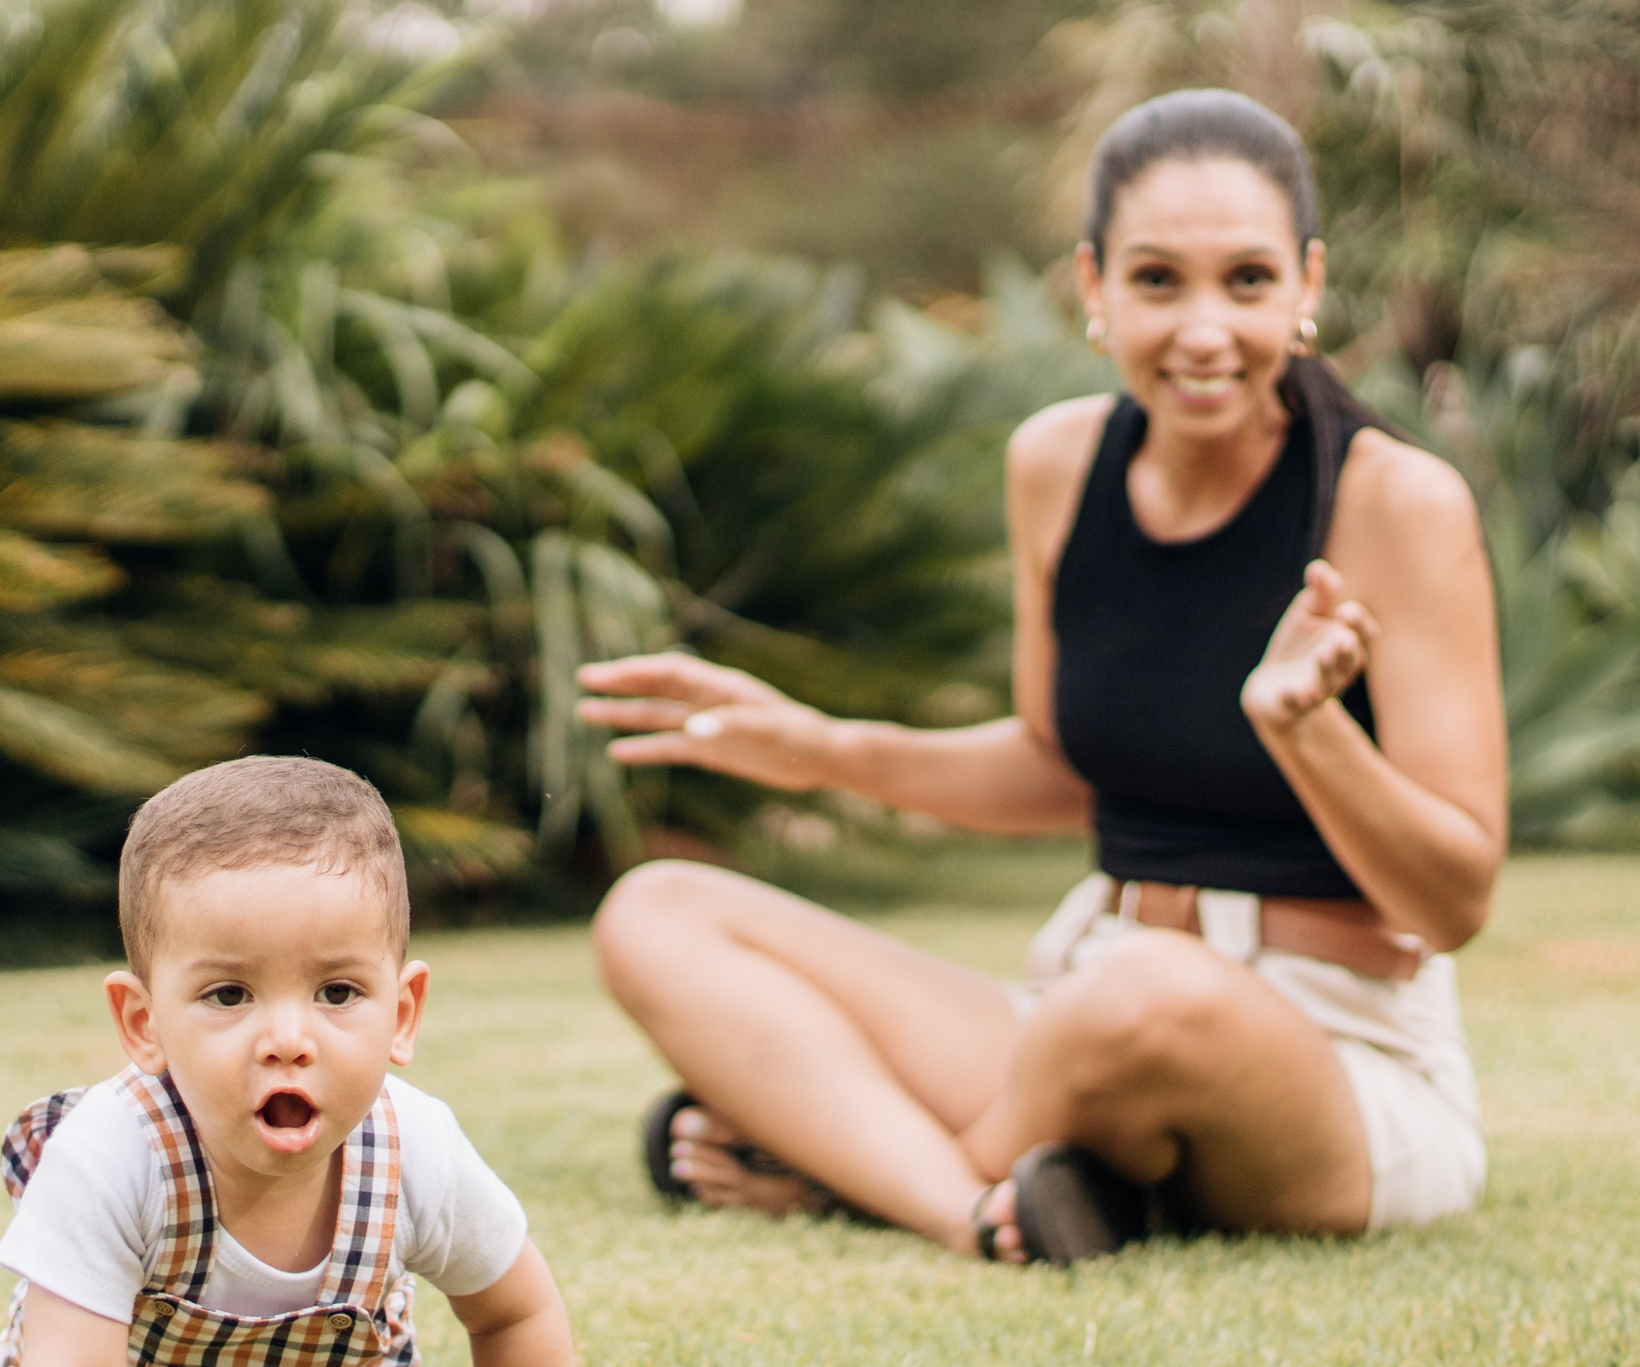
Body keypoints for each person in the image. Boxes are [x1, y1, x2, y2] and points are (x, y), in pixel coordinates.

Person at [578, 88, 1504, 1266]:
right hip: (1078, 1009)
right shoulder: (1057, 465)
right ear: (1094, 286)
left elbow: (1454, 904)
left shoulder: (1395, 502)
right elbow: (1059, 765)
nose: (1204, 328)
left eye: (1249, 281)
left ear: (1308, 286)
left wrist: (1306, 729)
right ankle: (972, 1208)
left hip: (1337, 1061)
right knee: (657, 912)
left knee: (1146, 994)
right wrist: (817, 747)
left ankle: (839, 1164)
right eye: (1159, 280)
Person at [0, 757, 591, 1367]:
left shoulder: (415, 1146)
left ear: (404, 1010)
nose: (288, 1040)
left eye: (338, 993)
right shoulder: (115, 1152)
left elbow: (516, 1308)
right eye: (228, 995)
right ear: (144, 1023)